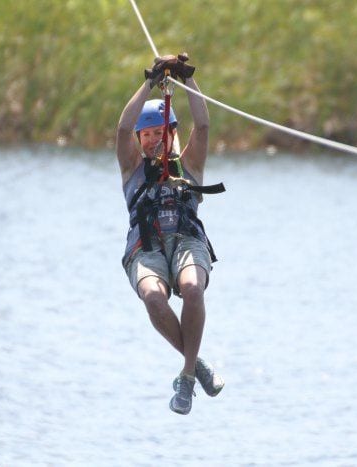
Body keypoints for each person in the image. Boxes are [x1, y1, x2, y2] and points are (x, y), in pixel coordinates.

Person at [116, 54, 225, 415]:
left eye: (157, 133)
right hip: (146, 247)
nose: (150, 141)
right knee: (152, 296)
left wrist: (185, 79)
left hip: (186, 241)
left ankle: (187, 378)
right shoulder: (132, 168)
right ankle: (195, 363)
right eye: (145, 135)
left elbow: (204, 125)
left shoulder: (189, 164)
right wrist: (150, 81)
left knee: (193, 288)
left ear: (171, 133)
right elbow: (121, 130)